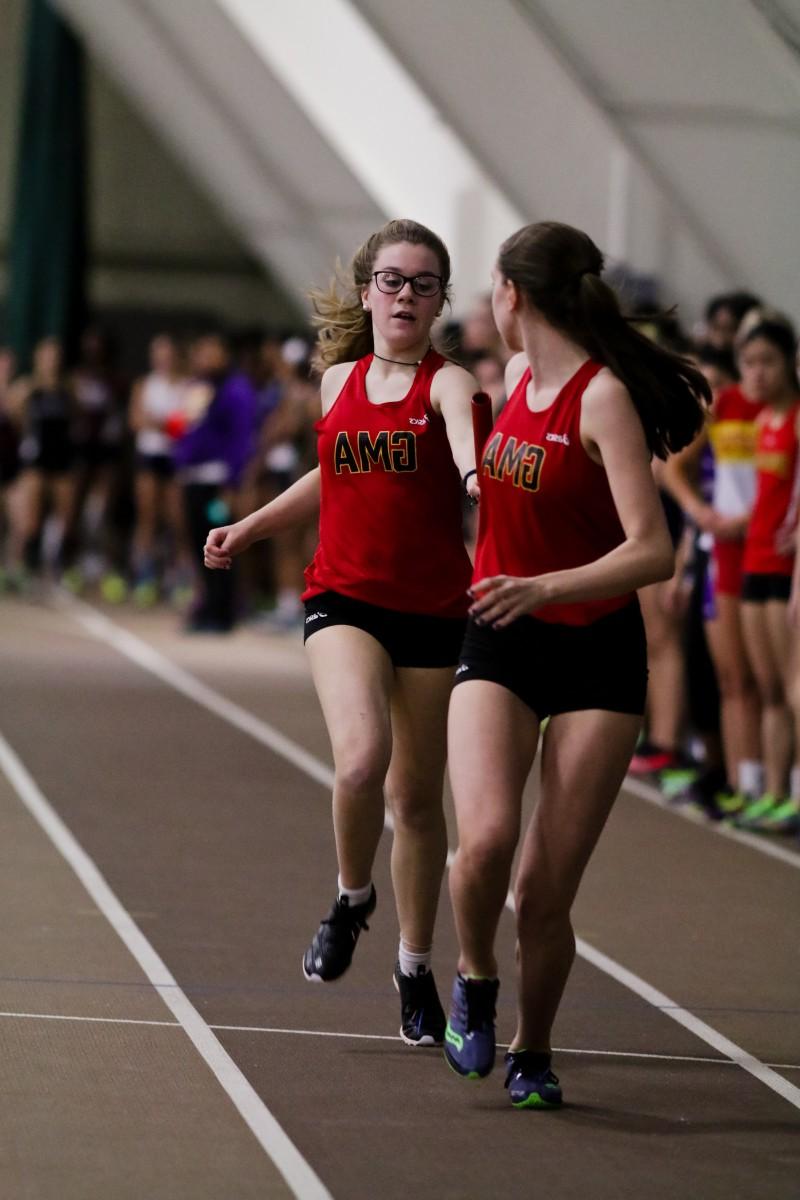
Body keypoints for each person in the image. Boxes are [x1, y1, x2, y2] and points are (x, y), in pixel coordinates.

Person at [442, 221, 708, 1108]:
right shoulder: (515, 379)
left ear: (515, 296)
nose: (488, 307)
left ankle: (534, 1048)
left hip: (593, 648)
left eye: (490, 291)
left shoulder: (601, 401)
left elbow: (652, 550)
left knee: (543, 890)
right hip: (501, 637)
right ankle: (476, 979)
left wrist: (546, 585)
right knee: (480, 845)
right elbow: (521, 485)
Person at [204, 219, 479, 1044]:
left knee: (419, 804)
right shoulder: (337, 382)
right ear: (367, 292)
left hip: (433, 609)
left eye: (422, 283)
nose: (404, 295)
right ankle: (352, 898)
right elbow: (334, 469)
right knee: (362, 759)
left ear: (438, 300)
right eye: (391, 280)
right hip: (344, 598)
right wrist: (250, 527)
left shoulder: (450, 385)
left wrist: (476, 478)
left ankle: (413, 964)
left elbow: (468, 447)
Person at [735, 315, 800, 832]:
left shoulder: (797, 418)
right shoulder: (762, 423)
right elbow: (765, 501)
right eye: (748, 363)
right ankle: (776, 793)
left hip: (784, 570)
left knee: (794, 688)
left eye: (766, 363)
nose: (755, 374)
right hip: (753, 562)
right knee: (768, 688)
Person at [174, 331, 258, 633]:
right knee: (199, 544)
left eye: (210, 351)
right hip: (193, 479)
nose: (203, 357)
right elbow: (185, 429)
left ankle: (223, 612)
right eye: (200, 351)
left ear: (224, 353)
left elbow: (241, 439)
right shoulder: (198, 388)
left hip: (217, 483)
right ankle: (207, 604)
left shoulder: (236, 389)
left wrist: (232, 485)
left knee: (219, 547)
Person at [128, 333, 190, 605]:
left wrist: (162, 423)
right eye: (157, 354)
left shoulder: (187, 386)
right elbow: (136, 420)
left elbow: (186, 425)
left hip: (175, 458)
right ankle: (144, 575)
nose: (162, 359)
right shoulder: (144, 384)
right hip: (150, 456)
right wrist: (167, 425)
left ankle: (179, 576)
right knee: (148, 516)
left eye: (166, 354)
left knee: (177, 518)